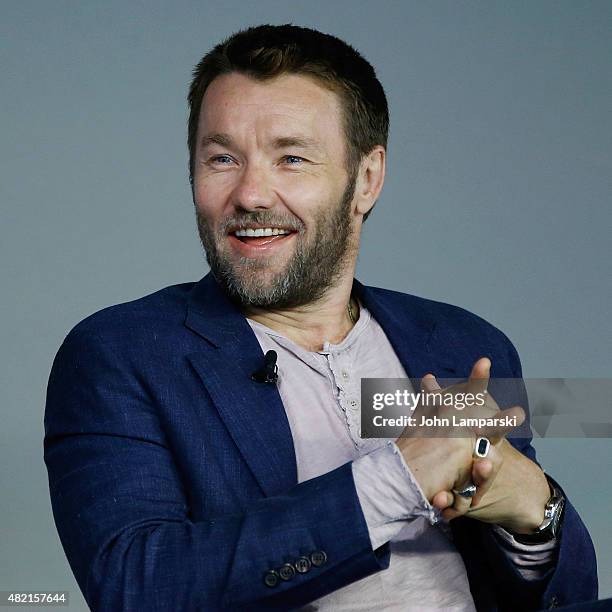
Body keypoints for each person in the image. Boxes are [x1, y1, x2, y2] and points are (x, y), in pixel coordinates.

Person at [44, 24, 597, 611]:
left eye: (292, 158)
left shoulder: (465, 343)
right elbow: (136, 588)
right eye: (223, 158)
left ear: (365, 179)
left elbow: (566, 595)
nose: (252, 193)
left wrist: (537, 510)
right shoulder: (121, 353)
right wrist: (398, 477)